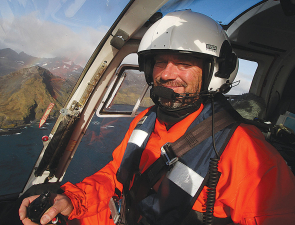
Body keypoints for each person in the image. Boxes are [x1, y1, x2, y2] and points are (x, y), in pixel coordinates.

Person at [19, 10, 295, 225]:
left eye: (184, 63)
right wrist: (71, 200)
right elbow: (115, 179)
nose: (166, 73)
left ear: (215, 72)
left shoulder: (250, 152)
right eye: (160, 62)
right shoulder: (146, 120)